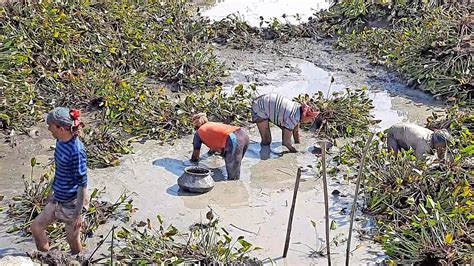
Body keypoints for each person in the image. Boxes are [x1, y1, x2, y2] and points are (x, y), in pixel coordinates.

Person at [31, 107, 88, 254]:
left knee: (73, 243)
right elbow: (59, 170)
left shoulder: (77, 151)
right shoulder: (60, 142)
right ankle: (47, 257)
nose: (48, 128)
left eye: (50, 126)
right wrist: (52, 191)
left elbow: (83, 185)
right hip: (58, 198)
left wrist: (78, 214)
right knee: (36, 227)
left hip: (73, 203)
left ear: (61, 128)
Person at [251, 93, 320, 152]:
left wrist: (298, 144)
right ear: (305, 115)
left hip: (268, 104)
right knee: (267, 140)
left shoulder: (298, 110)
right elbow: (286, 143)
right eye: (312, 118)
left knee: (286, 129)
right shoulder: (293, 118)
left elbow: (296, 131)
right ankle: (263, 154)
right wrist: (296, 151)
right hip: (259, 107)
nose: (312, 121)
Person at [191, 113, 249, 180]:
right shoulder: (212, 125)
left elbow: (195, 157)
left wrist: (192, 164)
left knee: (233, 179)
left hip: (233, 140)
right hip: (243, 136)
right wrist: (209, 154)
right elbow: (216, 143)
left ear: (196, 126)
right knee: (235, 168)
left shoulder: (198, 133)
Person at [387, 122, 451, 159]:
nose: (444, 148)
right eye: (444, 146)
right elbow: (420, 161)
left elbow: (440, 154)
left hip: (405, 131)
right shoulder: (423, 144)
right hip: (394, 132)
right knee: (393, 159)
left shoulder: (433, 135)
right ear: (436, 143)